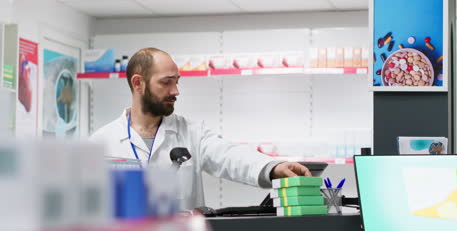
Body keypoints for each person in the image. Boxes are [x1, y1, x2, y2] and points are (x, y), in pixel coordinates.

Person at [91, 47, 313, 210]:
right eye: (166, 82)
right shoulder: (101, 142)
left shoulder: (191, 133)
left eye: (177, 81)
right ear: (138, 83)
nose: (175, 90)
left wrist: (273, 168)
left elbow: (230, 156)